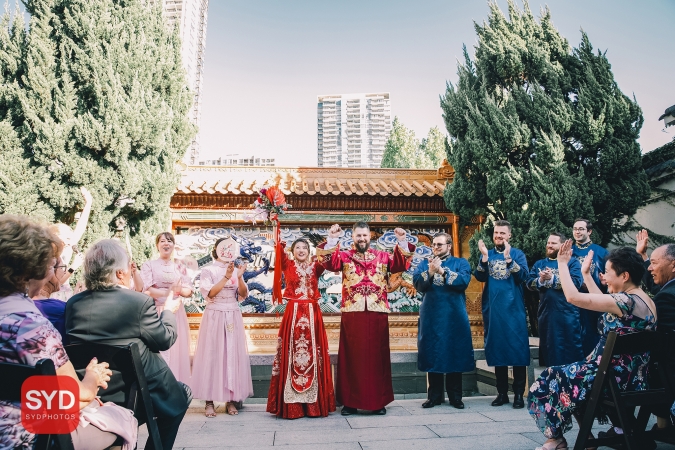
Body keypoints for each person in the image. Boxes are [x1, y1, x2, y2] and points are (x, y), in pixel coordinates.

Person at [0, 216, 137, 450]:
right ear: (30, 272)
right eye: (52, 264)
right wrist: (93, 377)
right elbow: (73, 397)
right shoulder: (33, 327)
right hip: (28, 436)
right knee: (123, 419)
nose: (54, 270)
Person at [527, 243, 657, 450]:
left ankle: (556, 438)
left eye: (607, 273)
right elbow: (603, 301)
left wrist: (562, 264)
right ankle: (587, 438)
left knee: (548, 379)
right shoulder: (645, 300)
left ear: (624, 276)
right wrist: (587, 275)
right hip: (633, 378)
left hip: (608, 379)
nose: (604, 277)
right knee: (572, 375)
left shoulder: (625, 301)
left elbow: (573, 297)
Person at [66, 239, 189, 450]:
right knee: (180, 396)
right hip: (138, 392)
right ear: (120, 274)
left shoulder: (73, 303)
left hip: (95, 389)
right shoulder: (138, 302)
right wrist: (168, 311)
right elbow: (164, 340)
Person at [317, 222, 415, 416]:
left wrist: (402, 241)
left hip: (377, 311)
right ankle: (350, 403)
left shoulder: (382, 256)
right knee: (351, 358)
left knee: (377, 358)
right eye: (358, 236)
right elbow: (328, 263)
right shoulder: (344, 256)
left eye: (365, 235)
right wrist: (332, 238)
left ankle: (378, 402)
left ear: (370, 236)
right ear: (352, 237)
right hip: (353, 312)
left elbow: (401, 264)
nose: (362, 239)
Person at [266, 238, 336, 419]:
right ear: (292, 250)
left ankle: (314, 406)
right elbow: (279, 255)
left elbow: (326, 259)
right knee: (290, 355)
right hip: (294, 313)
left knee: (315, 354)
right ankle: (293, 407)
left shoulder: (316, 266)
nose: (302, 250)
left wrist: (332, 239)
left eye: (305, 247)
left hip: (313, 313)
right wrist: (277, 232)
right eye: (298, 247)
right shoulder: (287, 265)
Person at [191, 237, 254, 417]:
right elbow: (209, 292)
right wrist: (227, 276)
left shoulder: (236, 269)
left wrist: (239, 277)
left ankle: (230, 399)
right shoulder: (208, 270)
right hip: (214, 314)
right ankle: (209, 401)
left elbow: (242, 295)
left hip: (232, 313)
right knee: (212, 354)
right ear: (217, 249)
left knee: (231, 354)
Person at [413, 232, 473, 409]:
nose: (436, 247)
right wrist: (431, 272)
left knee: (454, 352)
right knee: (433, 352)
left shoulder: (461, 263)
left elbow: (463, 281)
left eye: (440, 244)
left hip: (454, 315)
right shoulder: (425, 263)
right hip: (431, 315)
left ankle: (455, 397)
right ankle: (434, 397)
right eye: (434, 244)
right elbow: (418, 284)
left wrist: (443, 271)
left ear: (449, 246)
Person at [474, 220, 530, 409]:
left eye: (502, 233)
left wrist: (508, 260)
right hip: (494, 310)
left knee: (517, 351)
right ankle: (502, 393)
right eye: (496, 233)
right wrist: (483, 258)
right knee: (498, 350)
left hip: (514, 310)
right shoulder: (488, 254)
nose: (498, 236)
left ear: (509, 236)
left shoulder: (517, 254)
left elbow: (523, 277)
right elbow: (480, 276)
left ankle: (519, 395)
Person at [140, 232, 193, 385]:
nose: (166, 244)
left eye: (169, 241)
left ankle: (177, 387)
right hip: (156, 311)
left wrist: (179, 290)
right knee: (160, 350)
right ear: (157, 245)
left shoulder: (180, 266)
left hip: (177, 312)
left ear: (173, 245)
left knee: (177, 350)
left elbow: (188, 290)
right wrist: (167, 293)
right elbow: (147, 289)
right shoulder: (149, 265)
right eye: (163, 241)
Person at [636, 230, 675, 434]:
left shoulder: (667, 298)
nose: (650, 268)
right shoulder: (668, 291)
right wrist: (643, 256)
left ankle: (624, 429)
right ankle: (663, 426)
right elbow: (659, 286)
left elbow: (663, 344)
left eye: (654, 263)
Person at [526, 233, 584, 367]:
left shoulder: (573, 262)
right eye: (548, 242)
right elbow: (529, 283)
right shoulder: (539, 263)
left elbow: (576, 283)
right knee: (549, 349)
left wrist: (552, 279)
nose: (549, 245)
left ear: (562, 245)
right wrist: (540, 280)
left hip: (567, 313)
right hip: (546, 314)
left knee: (569, 349)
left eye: (553, 243)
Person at [571, 218, 609, 355]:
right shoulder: (568, 251)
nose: (577, 232)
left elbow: (609, 276)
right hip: (571, 302)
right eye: (575, 229)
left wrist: (605, 283)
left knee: (592, 336)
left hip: (594, 302)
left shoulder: (601, 252)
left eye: (581, 229)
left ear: (589, 231)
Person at [50, 186, 93, 301]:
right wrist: (73, 267)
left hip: (65, 293)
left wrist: (88, 203)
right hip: (52, 296)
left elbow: (81, 227)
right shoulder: (49, 254)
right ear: (56, 236)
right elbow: (55, 284)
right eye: (68, 238)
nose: (71, 241)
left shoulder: (66, 248)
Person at [30, 256, 69, 341]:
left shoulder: (16, 303)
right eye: (62, 268)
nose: (64, 273)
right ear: (49, 271)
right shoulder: (61, 309)